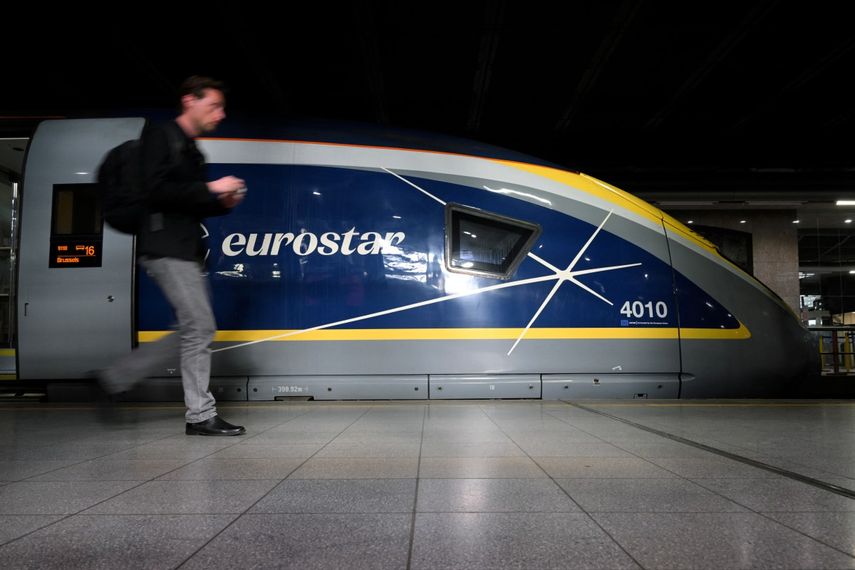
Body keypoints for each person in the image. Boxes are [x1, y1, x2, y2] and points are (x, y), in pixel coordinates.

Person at [99, 76, 247, 436]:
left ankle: (115, 378)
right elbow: (154, 190)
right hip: (165, 247)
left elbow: (186, 202)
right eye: (213, 105)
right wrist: (212, 187)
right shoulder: (160, 136)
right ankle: (200, 415)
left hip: (186, 248)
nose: (220, 113)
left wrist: (221, 204)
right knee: (201, 327)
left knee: (191, 329)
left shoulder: (193, 152)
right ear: (188, 101)